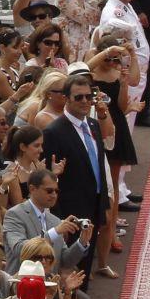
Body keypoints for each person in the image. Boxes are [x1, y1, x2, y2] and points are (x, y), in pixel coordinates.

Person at [41, 75, 110, 281]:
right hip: (70, 211)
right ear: (66, 98)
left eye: (89, 96)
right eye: (78, 97)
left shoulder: (93, 125)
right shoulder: (54, 131)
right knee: (70, 268)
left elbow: (98, 165)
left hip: (94, 203)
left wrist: (103, 203)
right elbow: (50, 178)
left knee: (86, 266)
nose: (85, 101)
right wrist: (58, 216)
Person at [3, 168, 91, 276]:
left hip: (50, 285)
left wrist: (81, 242)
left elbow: (65, 261)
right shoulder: (15, 214)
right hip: (22, 283)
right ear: (32, 189)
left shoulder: (55, 221)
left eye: (56, 191)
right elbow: (19, 249)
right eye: (49, 191)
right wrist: (54, 232)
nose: (54, 195)